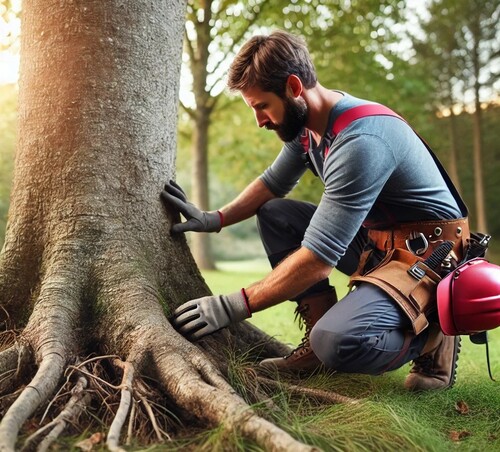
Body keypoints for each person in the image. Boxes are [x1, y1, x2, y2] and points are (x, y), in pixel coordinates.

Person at [161, 30, 469, 391]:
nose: (259, 120)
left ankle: (434, 334)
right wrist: (216, 219)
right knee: (276, 213)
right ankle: (316, 348)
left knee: (337, 342)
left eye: (262, 106)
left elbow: (318, 259)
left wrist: (231, 307)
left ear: (293, 87)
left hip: (430, 255)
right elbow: (270, 185)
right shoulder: (307, 129)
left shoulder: (360, 141)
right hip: (378, 245)